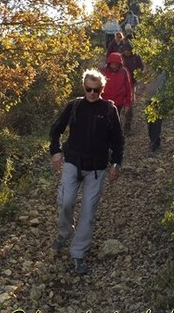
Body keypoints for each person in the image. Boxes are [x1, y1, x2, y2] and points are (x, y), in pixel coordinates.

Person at [49, 69, 124, 275]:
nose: (92, 93)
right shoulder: (74, 106)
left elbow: (118, 140)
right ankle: (64, 232)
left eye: (96, 90)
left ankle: (78, 253)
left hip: (97, 168)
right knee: (65, 202)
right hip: (73, 161)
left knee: (88, 212)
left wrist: (116, 163)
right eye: (88, 89)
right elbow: (56, 130)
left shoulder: (109, 109)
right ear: (84, 87)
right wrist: (55, 152)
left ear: (102, 89)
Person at [101, 52, 132, 126]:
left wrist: (128, 103)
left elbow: (128, 88)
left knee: (116, 122)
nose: (114, 66)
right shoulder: (103, 71)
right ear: (109, 63)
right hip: (105, 102)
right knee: (105, 122)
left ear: (119, 64)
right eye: (112, 64)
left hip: (119, 102)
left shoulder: (124, 72)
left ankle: (117, 136)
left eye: (116, 64)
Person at [119, 41, 144, 134]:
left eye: (128, 50)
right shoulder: (120, 57)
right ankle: (119, 126)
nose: (127, 52)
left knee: (129, 104)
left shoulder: (136, 57)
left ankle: (127, 127)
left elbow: (141, 68)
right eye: (125, 50)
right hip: (121, 83)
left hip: (132, 83)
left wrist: (138, 79)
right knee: (120, 103)